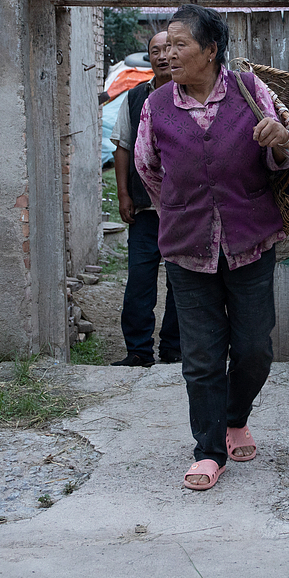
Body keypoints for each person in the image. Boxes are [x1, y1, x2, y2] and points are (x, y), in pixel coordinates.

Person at [134, 4, 289, 491]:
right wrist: (184, 213)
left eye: (181, 44)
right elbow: (148, 168)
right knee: (201, 356)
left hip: (250, 239)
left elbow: (280, 159)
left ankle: (235, 416)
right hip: (186, 248)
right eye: (167, 44)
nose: (170, 54)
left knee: (254, 349)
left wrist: (280, 140)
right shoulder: (156, 105)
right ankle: (207, 451)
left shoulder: (250, 91)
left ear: (210, 51)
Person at [110, 31, 180, 368]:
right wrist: (124, 194)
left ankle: (174, 350)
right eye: (156, 50)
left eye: (169, 48)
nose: (163, 55)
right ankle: (138, 351)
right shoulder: (135, 98)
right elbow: (123, 146)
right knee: (139, 282)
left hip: (183, 210)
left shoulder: (190, 94)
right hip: (145, 210)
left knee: (182, 281)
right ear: (149, 57)